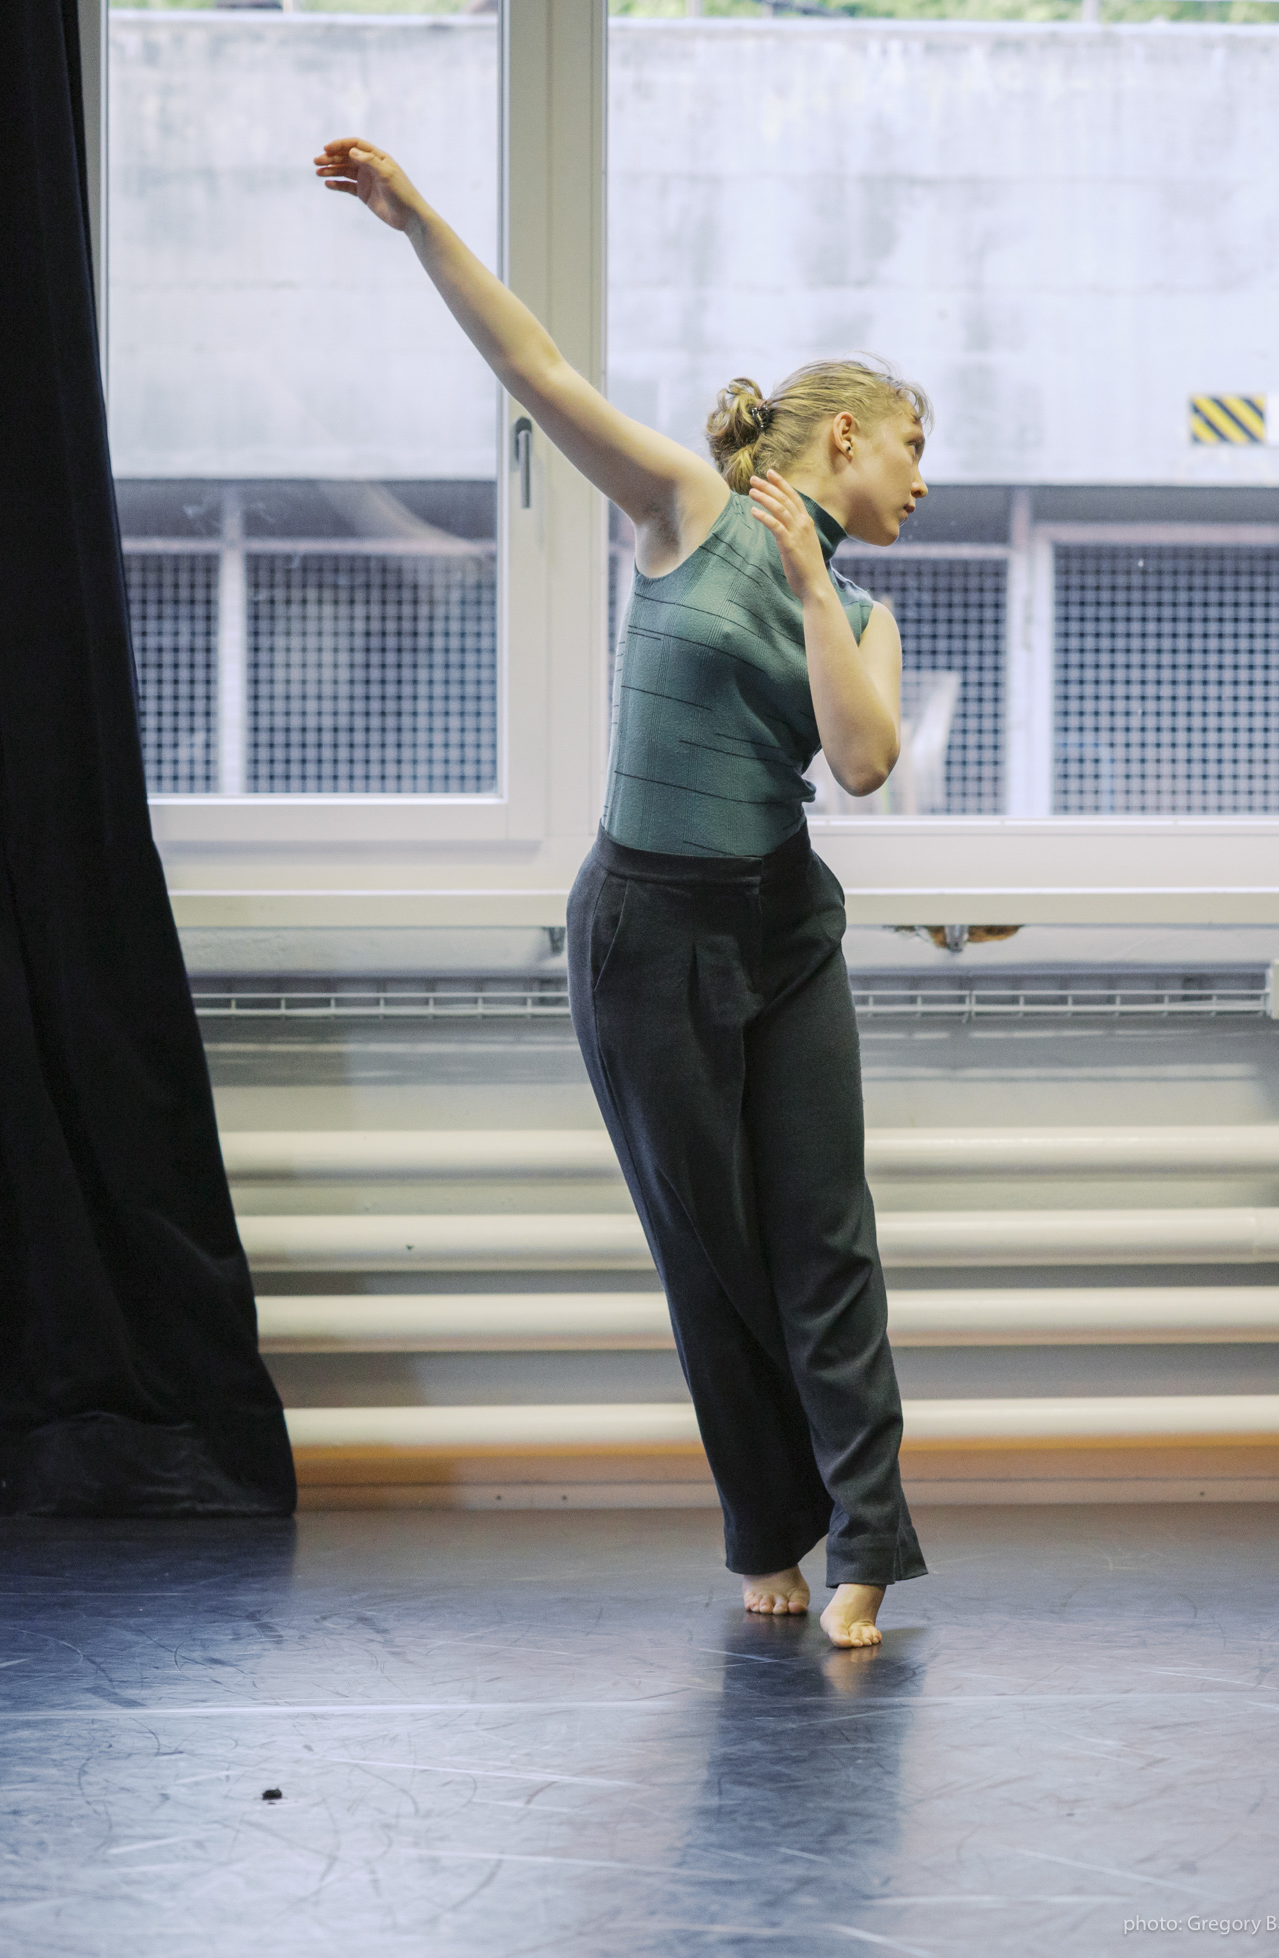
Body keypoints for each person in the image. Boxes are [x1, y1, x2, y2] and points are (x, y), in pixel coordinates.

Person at [314, 136, 930, 1647]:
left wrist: (811, 591)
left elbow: (861, 764)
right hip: (645, 931)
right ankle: (767, 1529)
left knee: (826, 1238)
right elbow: (536, 370)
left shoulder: (862, 610)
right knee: (706, 1248)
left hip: (781, 929)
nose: (923, 483)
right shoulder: (683, 506)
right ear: (846, 436)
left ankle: (867, 1541)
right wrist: (418, 221)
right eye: (914, 450)